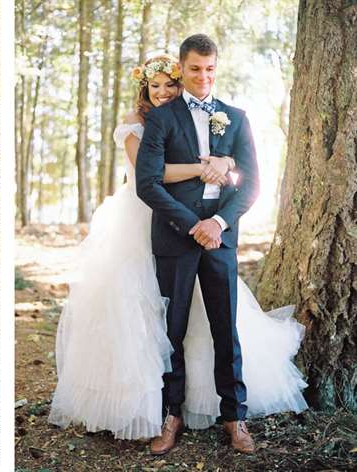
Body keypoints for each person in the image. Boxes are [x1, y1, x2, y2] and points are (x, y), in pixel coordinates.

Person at [48, 47, 307, 453]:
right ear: (184, 70)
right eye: (194, 69)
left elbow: (249, 180)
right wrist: (192, 224)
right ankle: (171, 415)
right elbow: (148, 182)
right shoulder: (161, 119)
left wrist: (217, 222)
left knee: (225, 327)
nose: (202, 75)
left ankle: (234, 417)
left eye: (209, 69)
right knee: (173, 330)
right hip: (173, 234)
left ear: (215, 69)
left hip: (220, 235)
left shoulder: (236, 117)